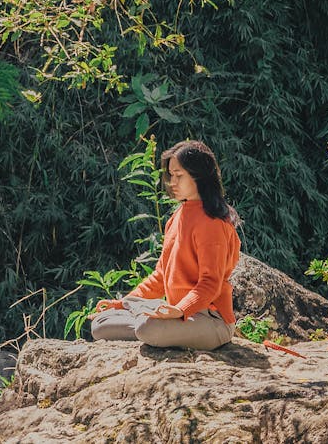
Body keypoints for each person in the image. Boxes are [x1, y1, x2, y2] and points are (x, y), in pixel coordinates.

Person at [88, 139, 242, 350]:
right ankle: (153, 324)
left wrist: (180, 310)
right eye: (171, 175)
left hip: (211, 320)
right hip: (175, 314)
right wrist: (123, 302)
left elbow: (210, 283)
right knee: (101, 324)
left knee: (147, 328)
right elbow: (160, 276)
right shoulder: (177, 217)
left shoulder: (212, 223)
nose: (172, 182)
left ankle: (156, 327)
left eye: (179, 176)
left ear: (199, 177)